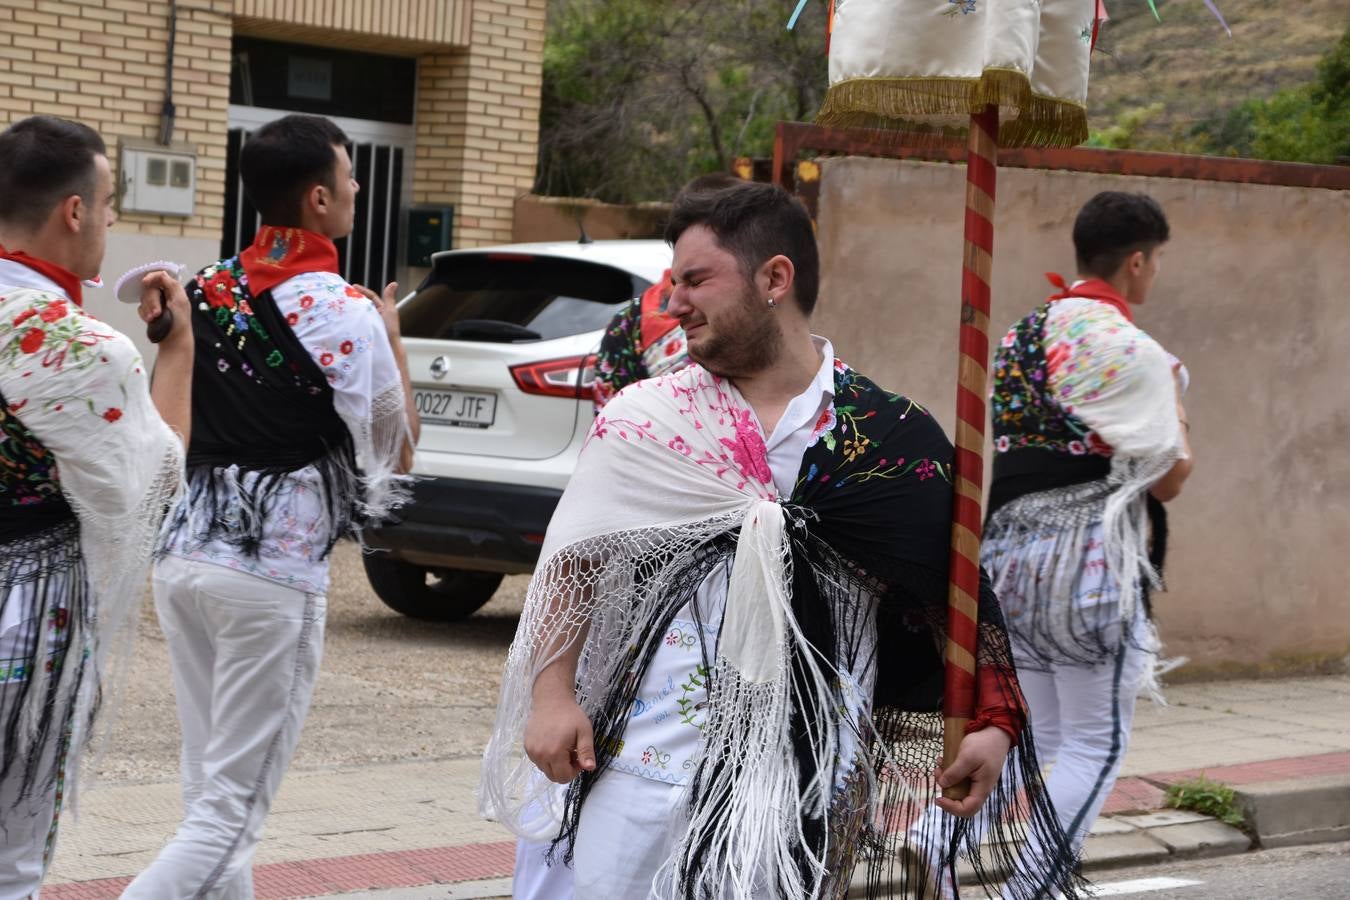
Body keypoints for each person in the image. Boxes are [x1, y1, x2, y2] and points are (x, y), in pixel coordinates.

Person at [482, 180, 1082, 900]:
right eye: (674, 283)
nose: (673, 303)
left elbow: (957, 598)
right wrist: (551, 696)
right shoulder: (649, 422)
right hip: (632, 775)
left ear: (775, 278)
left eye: (696, 280)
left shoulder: (888, 437)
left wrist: (992, 723)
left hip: (800, 791)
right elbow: (574, 563)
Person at [122, 114, 419, 899]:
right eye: (351, 176)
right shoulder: (344, 310)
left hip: (184, 561)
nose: (358, 187)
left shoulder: (207, 287)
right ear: (319, 198)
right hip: (271, 576)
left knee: (211, 801)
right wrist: (393, 340)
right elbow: (397, 450)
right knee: (227, 818)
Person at [975, 191, 1193, 894]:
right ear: (1136, 262)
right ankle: (1030, 887)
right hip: (1085, 564)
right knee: (1095, 744)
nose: (1153, 274)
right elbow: (1169, 476)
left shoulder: (1020, 336)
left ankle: (933, 838)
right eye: (1155, 262)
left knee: (1027, 734)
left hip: (1006, 555)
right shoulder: (1130, 349)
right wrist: (1176, 409)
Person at [0, 115, 192, 897]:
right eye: (110, 201)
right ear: (74, 211)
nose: (112, 219)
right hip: (25, 608)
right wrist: (175, 351)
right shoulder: (77, 345)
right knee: (11, 857)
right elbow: (153, 485)